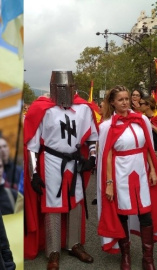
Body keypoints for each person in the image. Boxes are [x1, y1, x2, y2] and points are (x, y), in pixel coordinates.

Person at [24, 70, 98, 270]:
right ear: (53, 89)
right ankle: (53, 250)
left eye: (68, 87)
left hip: (74, 162)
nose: (64, 91)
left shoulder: (83, 109)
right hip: (51, 161)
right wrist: (35, 173)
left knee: (75, 203)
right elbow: (32, 144)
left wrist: (92, 157)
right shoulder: (43, 109)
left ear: (74, 87)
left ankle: (74, 244)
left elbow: (92, 136)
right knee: (52, 205)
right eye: (60, 87)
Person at [97, 85, 157, 270]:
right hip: (120, 174)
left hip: (141, 172)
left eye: (127, 99)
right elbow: (107, 156)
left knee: (146, 214)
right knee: (122, 214)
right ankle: (125, 255)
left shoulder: (141, 119)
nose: (125, 102)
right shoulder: (107, 126)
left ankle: (148, 258)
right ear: (112, 102)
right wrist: (109, 183)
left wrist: (152, 169)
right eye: (121, 99)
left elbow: (149, 148)